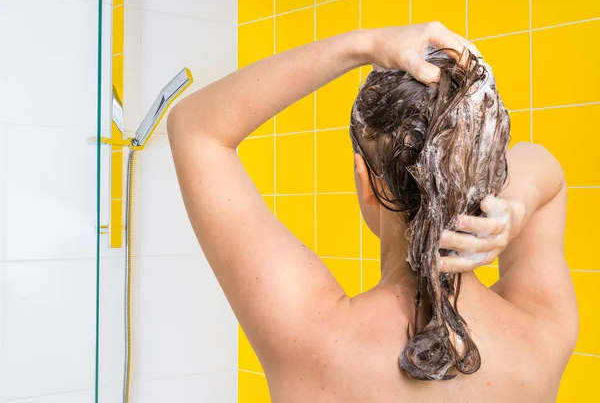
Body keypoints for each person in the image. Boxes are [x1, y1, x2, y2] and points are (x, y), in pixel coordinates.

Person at [167, 22, 578, 402]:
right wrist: (511, 207)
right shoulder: (541, 336)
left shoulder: (313, 340)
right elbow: (545, 167)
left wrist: (361, 45)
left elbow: (194, 128)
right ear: (487, 178)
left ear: (368, 180)